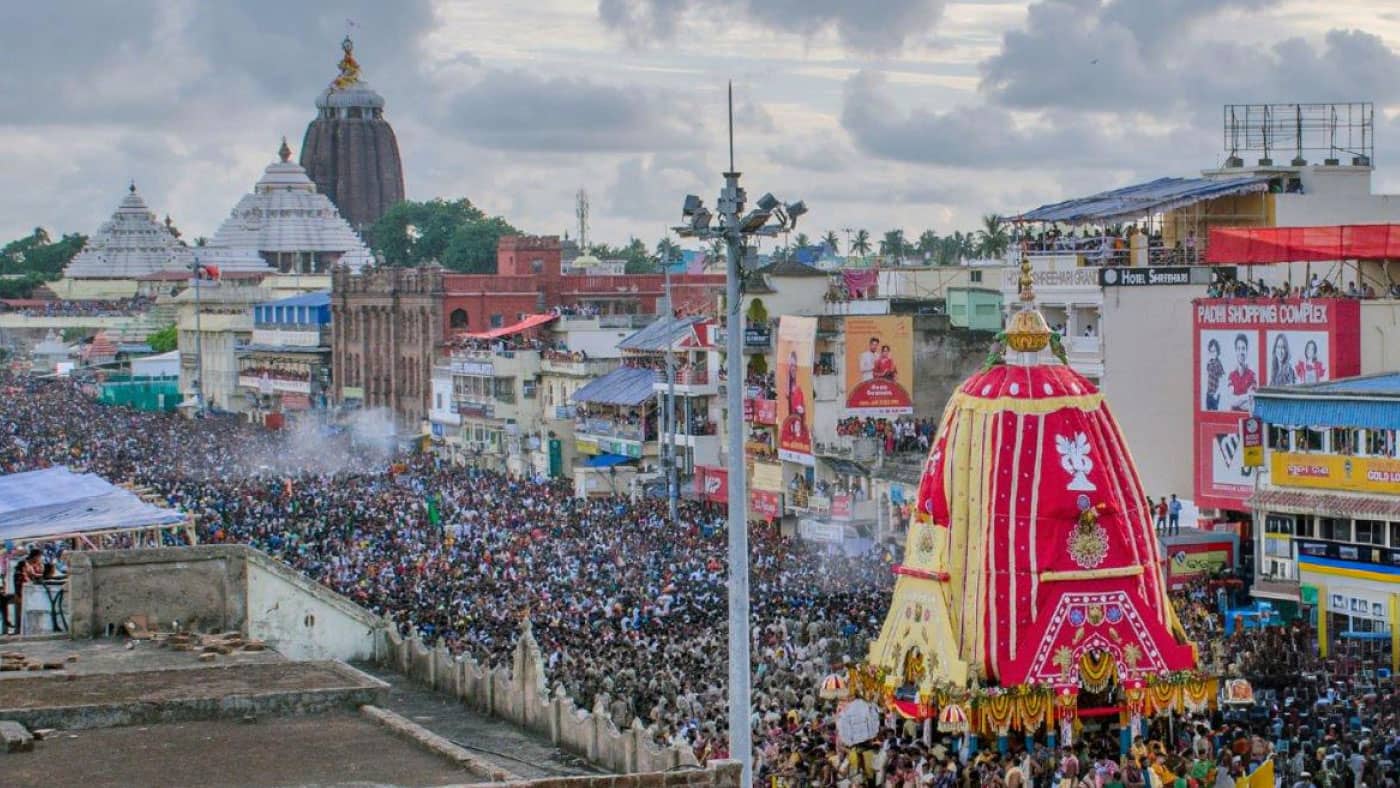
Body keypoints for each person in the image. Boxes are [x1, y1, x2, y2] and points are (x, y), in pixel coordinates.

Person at [1226, 333, 1257, 411]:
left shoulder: (1252, 375)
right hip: (1233, 417)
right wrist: (1246, 396)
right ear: (1235, 351)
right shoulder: (1231, 375)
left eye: (1243, 348)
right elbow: (1230, 401)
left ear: (1247, 351)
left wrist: (1237, 400)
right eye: (1238, 349)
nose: (1241, 352)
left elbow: (1251, 404)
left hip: (1247, 419)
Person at [1204, 339, 1225, 411]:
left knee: (1214, 412)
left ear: (1217, 352)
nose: (1213, 353)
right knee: (1208, 412)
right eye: (1211, 351)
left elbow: (1222, 380)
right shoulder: (1209, 363)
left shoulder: (1218, 364)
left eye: (1214, 351)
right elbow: (1208, 377)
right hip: (1208, 394)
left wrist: (1216, 394)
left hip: (1215, 394)